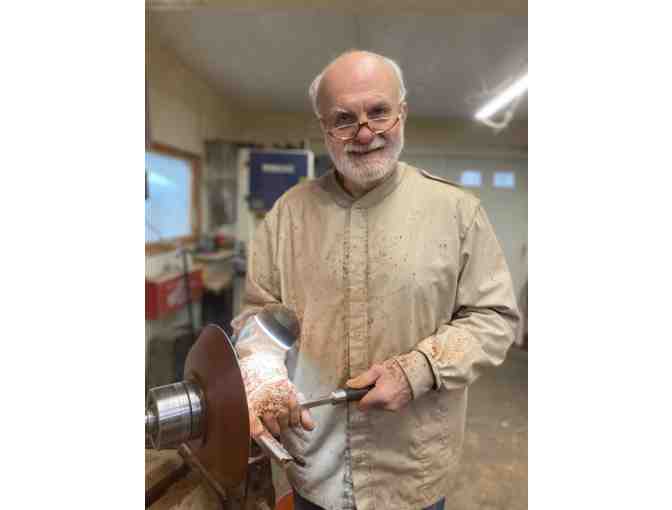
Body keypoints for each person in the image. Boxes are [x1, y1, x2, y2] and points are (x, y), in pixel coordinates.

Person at [232, 50, 520, 510]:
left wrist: (419, 370)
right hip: (313, 465)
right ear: (324, 127)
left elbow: (495, 318)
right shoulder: (288, 215)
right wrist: (264, 373)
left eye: (379, 112)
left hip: (410, 473)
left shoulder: (457, 213)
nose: (365, 132)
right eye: (344, 119)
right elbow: (259, 317)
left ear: (401, 113)